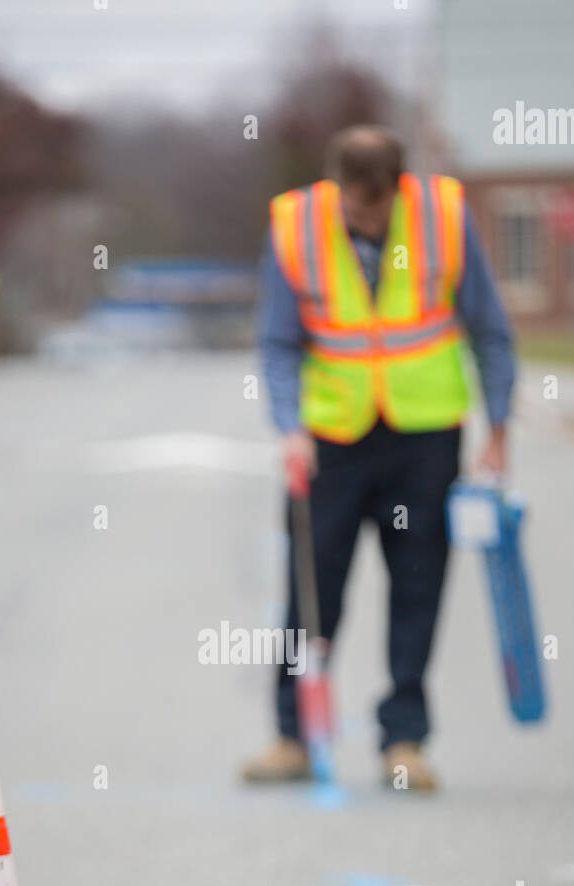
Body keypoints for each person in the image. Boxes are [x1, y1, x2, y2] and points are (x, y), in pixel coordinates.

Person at [241, 125, 516, 791]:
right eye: (354, 206)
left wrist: (499, 423)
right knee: (313, 593)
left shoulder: (443, 217)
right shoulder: (296, 224)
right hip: (330, 439)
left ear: (397, 186)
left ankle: (405, 740)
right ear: (334, 184)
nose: (364, 218)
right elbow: (278, 341)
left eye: (376, 206)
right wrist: (288, 426)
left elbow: (488, 326)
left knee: (418, 586)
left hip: (423, 436)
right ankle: (292, 734)